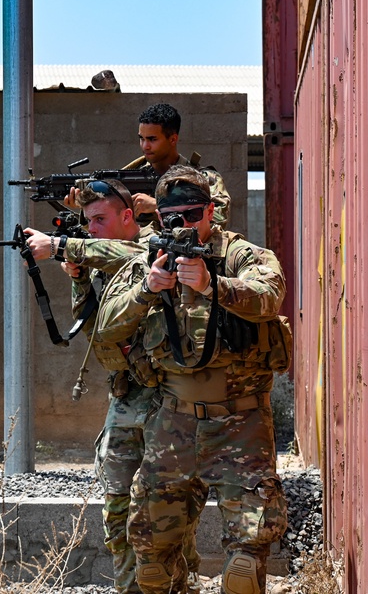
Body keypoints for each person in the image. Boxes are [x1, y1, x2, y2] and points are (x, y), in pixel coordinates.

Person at [95, 166, 289, 594]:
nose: (182, 225)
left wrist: (211, 284)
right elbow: (105, 330)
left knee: (243, 565)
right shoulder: (150, 258)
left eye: (192, 213)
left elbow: (270, 295)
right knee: (151, 561)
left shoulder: (241, 255)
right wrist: (146, 289)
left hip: (240, 425)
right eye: (171, 217)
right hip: (173, 425)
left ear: (211, 211)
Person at [21, 179, 207, 594]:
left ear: (128, 217)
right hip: (125, 398)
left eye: (101, 219)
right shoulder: (98, 255)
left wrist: (63, 247)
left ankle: (179, 584)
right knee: (118, 505)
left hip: (168, 400)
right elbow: (92, 325)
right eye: (88, 222)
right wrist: (78, 277)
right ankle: (130, 586)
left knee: (170, 509)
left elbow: (129, 257)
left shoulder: (155, 248)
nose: (93, 229)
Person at [66, 102, 231, 228]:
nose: (145, 146)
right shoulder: (131, 176)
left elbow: (219, 218)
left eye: (152, 139)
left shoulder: (203, 178)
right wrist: (87, 208)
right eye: (141, 138)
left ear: (173, 139)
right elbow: (107, 231)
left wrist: (158, 205)